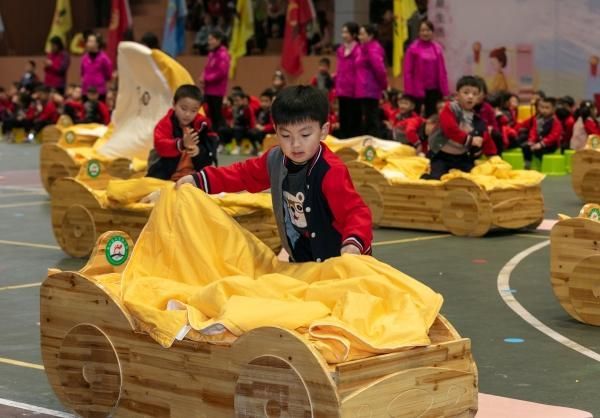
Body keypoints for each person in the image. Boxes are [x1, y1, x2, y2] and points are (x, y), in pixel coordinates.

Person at [176, 85, 373, 262]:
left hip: (339, 257)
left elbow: (355, 212)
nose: (295, 144)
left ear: (323, 131)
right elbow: (242, 174)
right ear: (276, 132)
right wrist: (198, 180)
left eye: (305, 135)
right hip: (303, 255)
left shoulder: (331, 171)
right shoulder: (275, 159)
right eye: (286, 136)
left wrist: (353, 245)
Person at [423, 75, 497, 180]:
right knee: (436, 178)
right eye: (466, 92)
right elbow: (450, 130)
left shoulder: (476, 119)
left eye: (475, 94)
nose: (470, 96)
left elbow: (486, 138)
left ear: (478, 98)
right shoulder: (449, 109)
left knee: (472, 180)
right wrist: (470, 140)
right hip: (441, 155)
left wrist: (493, 156)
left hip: (462, 157)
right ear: (457, 95)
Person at [147, 84, 218, 181]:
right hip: (166, 176)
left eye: (194, 110)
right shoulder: (165, 124)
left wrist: (198, 151)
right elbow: (160, 145)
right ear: (174, 104)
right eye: (183, 108)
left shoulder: (202, 125)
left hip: (192, 177)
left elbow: (209, 154)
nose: (188, 114)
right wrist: (181, 144)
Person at [403, 20, 449, 118]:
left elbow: (442, 71)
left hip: (434, 90)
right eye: (422, 30)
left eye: (428, 30)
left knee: (432, 117)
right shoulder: (412, 48)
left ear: (432, 32)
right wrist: (408, 91)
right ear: (419, 32)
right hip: (416, 90)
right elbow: (407, 71)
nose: (425, 33)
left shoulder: (437, 48)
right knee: (415, 117)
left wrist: (445, 91)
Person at [356, 24, 388, 137]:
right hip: (363, 89)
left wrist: (383, 86)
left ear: (371, 36)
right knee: (367, 119)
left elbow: (380, 70)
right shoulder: (362, 48)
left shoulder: (374, 49)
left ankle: (374, 147)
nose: (359, 36)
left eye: (362, 34)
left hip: (370, 89)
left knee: (371, 119)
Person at [335, 22, 361, 138]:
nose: (343, 35)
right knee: (343, 117)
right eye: (343, 32)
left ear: (354, 34)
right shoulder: (340, 50)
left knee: (354, 117)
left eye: (346, 32)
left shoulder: (359, 49)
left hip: (354, 89)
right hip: (342, 88)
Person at [201, 30, 230, 130]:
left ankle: (223, 137)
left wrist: (206, 78)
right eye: (209, 39)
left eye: (211, 39)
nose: (209, 42)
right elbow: (207, 68)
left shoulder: (223, 55)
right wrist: (202, 77)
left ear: (219, 40)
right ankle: (215, 136)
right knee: (211, 115)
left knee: (217, 115)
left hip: (217, 91)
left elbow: (222, 73)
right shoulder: (211, 54)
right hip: (208, 89)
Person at [522, 96, 562, 169]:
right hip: (538, 141)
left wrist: (541, 144)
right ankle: (528, 164)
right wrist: (531, 140)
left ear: (553, 109)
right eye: (542, 107)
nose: (544, 110)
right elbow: (533, 130)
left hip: (550, 144)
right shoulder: (537, 118)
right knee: (525, 146)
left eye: (547, 108)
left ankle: (542, 166)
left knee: (539, 151)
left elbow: (554, 136)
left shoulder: (555, 121)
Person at [219, 91, 256, 155]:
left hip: (245, 129)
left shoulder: (247, 108)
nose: (236, 103)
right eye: (234, 101)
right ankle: (223, 145)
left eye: (237, 100)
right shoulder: (234, 109)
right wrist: (231, 123)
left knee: (237, 129)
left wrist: (252, 128)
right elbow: (230, 118)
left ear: (243, 100)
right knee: (222, 129)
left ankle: (238, 147)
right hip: (235, 128)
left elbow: (251, 120)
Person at [80, 33, 113, 100]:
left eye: (91, 41)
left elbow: (108, 75)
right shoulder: (84, 58)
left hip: (99, 92)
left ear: (97, 44)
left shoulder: (104, 59)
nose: (88, 43)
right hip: (86, 91)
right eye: (88, 41)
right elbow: (82, 74)